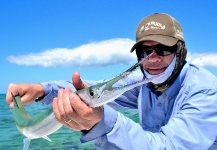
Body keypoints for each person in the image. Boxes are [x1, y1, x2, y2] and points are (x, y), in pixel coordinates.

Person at [6, 13, 217, 149]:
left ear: (180, 51)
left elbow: (169, 146)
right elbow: (92, 89)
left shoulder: (205, 91)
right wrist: (42, 90)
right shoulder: (144, 80)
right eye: (145, 51)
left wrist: (101, 123)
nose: (153, 58)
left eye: (162, 49)